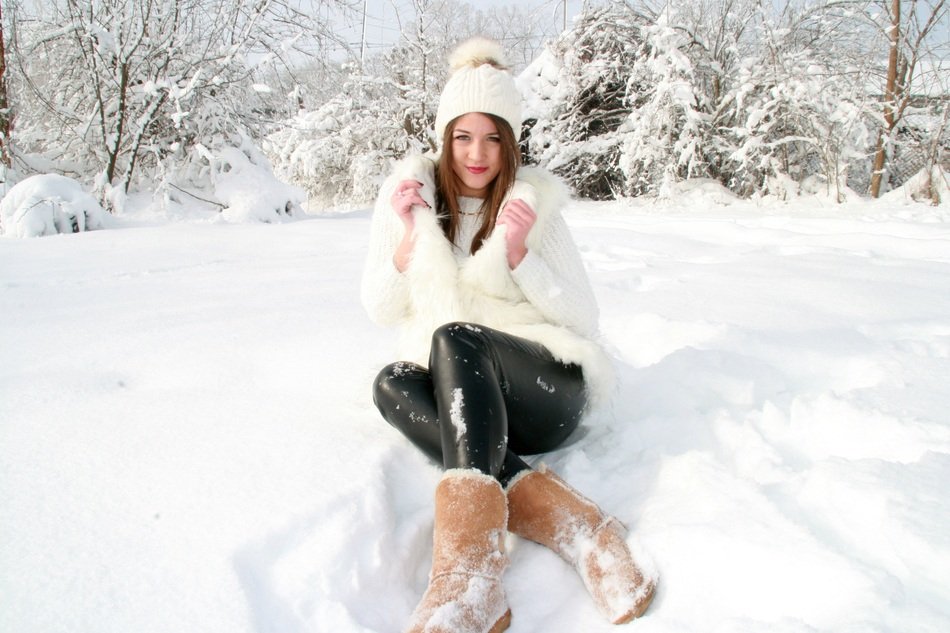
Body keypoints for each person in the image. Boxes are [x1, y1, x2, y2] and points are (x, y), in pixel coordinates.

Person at [361, 37, 656, 633]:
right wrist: (408, 245)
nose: (477, 153)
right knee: (391, 382)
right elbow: (380, 310)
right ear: (445, 138)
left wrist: (521, 255)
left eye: (493, 137)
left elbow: (582, 316)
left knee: (456, 338)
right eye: (463, 136)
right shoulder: (409, 201)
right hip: (471, 400)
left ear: (510, 143)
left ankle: (468, 577)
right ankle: (572, 523)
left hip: (545, 387)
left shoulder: (530, 203)